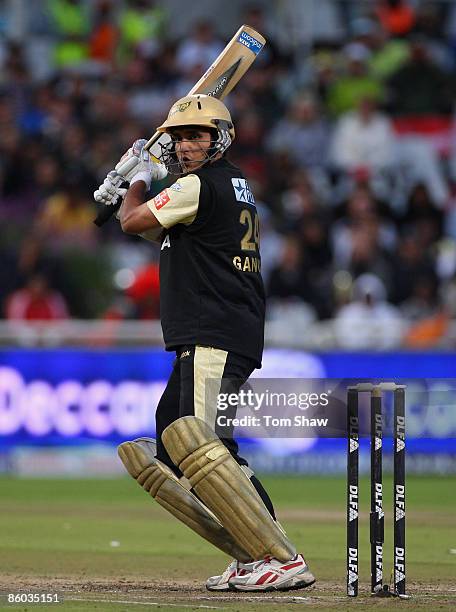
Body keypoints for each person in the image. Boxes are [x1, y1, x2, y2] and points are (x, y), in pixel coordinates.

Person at [94, 94, 315, 592]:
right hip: (220, 330)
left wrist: (134, 180)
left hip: (214, 331)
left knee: (207, 446)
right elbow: (161, 233)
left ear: (221, 139)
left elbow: (134, 221)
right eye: (179, 137)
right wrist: (124, 189)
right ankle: (250, 553)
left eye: (198, 135)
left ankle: (278, 555)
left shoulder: (199, 184)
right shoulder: (225, 187)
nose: (187, 145)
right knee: (174, 439)